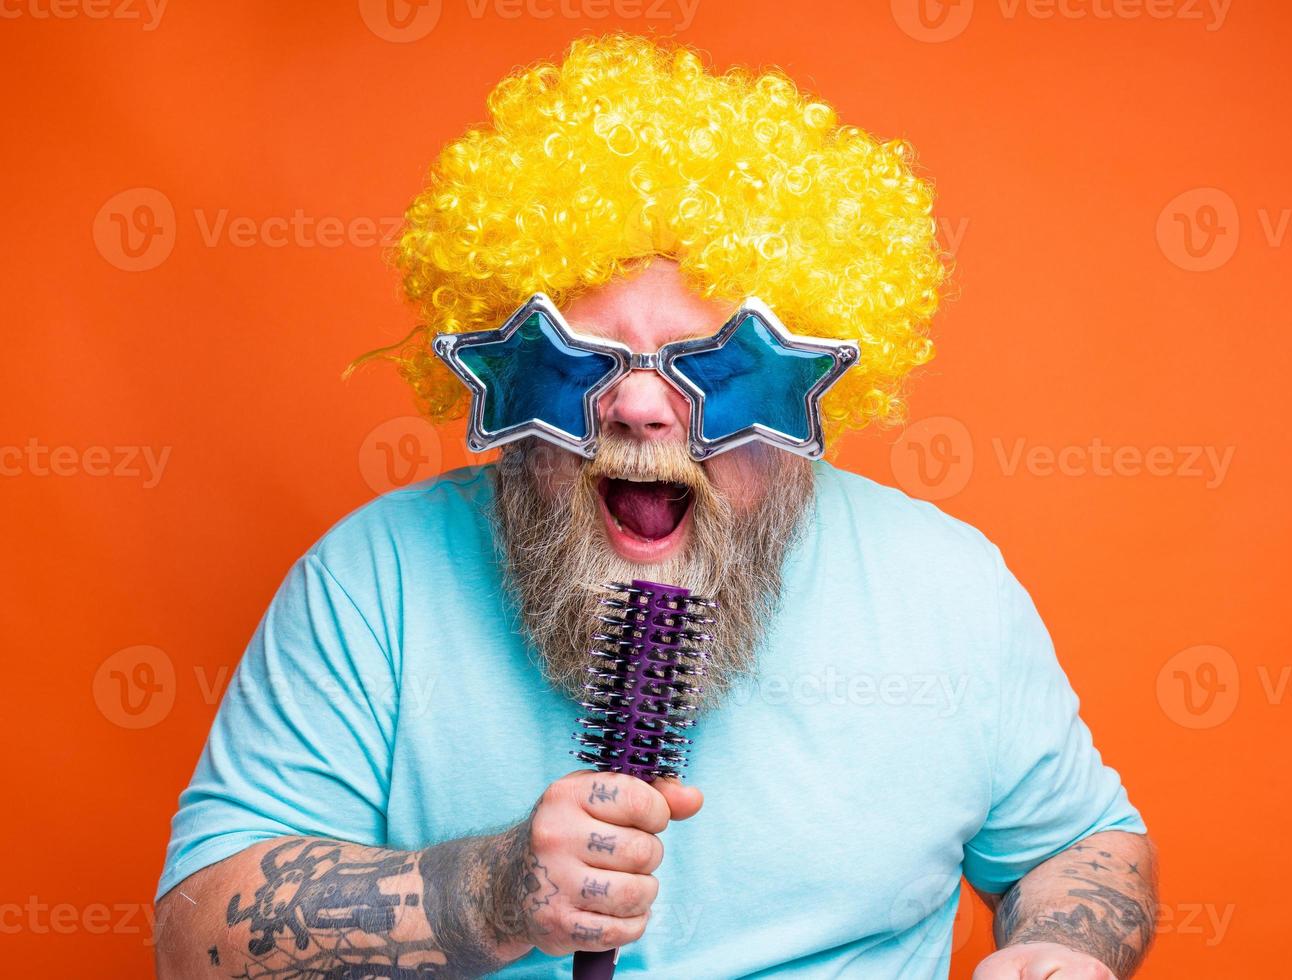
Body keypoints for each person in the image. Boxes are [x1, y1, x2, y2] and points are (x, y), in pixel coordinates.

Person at [154, 33, 1156, 980]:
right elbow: (194, 933)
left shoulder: (945, 583)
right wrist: (487, 893)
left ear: (808, 391)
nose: (637, 404)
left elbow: (1077, 844)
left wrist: (1064, 944)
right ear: (503, 379)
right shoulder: (375, 576)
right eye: (574, 361)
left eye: (714, 365)